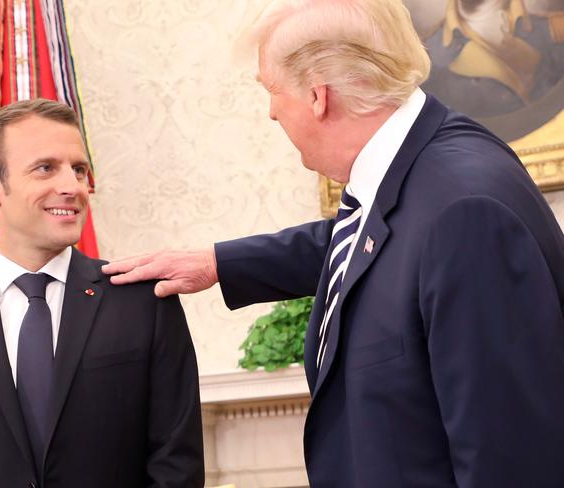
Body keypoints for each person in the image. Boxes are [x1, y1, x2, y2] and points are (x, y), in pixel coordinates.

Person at [103, 0, 564, 486]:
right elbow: (379, 239)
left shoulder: (464, 211)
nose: (271, 113)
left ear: (318, 96)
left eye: (272, 91)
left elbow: (511, 458)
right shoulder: (422, 170)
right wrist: (218, 263)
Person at [0, 99, 204, 488]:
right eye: (46, 168)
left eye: (79, 170)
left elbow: (176, 466)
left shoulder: (144, 301)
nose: (73, 187)